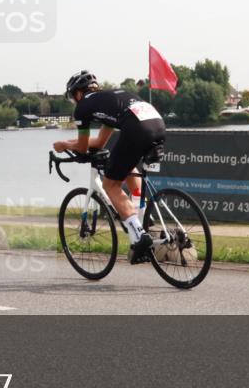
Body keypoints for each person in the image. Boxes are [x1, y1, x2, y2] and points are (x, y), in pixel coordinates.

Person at [52, 70, 166, 263]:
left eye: (72, 98)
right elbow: (99, 143)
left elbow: (82, 147)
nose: (74, 102)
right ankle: (142, 218)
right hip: (157, 125)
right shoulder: (109, 99)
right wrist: (71, 142)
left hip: (136, 128)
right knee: (128, 169)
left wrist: (64, 145)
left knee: (110, 185)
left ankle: (139, 235)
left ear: (78, 93)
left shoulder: (83, 107)